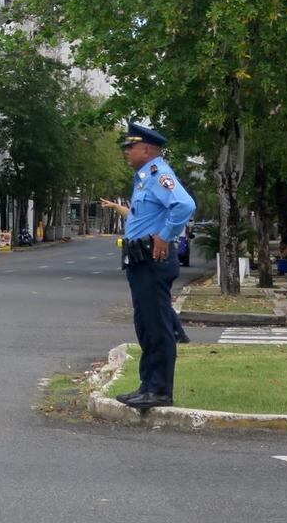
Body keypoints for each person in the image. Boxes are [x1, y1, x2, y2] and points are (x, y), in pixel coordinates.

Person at [113, 122, 196, 410]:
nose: (127, 152)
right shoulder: (144, 178)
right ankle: (148, 385)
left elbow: (184, 206)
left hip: (153, 259)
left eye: (130, 147)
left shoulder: (160, 175)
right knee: (146, 324)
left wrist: (165, 236)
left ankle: (160, 390)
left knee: (157, 325)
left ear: (146, 149)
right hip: (140, 259)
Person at [100, 196, 190, 344]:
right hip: (143, 253)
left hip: (155, 254)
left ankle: (173, 336)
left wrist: (164, 238)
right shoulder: (147, 213)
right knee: (153, 301)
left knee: (155, 300)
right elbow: (133, 216)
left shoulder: (163, 208)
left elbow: (186, 206)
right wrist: (116, 207)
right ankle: (175, 334)